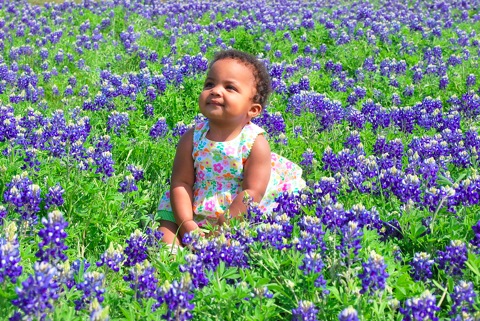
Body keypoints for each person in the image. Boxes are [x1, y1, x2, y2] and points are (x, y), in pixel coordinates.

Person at [157, 49, 305, 248]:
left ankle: (219, 250)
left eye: (230, 88)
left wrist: (224, 226)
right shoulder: (191, 138)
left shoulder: (255, 143)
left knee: (251, 234)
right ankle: (171, 254)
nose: (216, 91)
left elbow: (251, 192)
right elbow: (181, 183)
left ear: (252, 110)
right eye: (210, 84)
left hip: (236, 212)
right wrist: (187, 225)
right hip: (193, 207)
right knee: (165, 229)